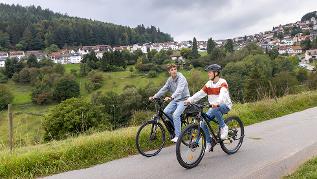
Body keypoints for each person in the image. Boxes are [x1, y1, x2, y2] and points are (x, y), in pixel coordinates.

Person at [185, 64, 233, 152]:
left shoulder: (223, 82)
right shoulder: (209, 84)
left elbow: (222, 94)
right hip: (213, 107)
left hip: (224, 105)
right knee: (203, 123)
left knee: (215, 109)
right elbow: (200, 93)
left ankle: (223, 127)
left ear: (216, 73)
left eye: (210, 72)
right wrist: (190, 100)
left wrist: (217, 102)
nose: (208, 74)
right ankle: (209, 142)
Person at [149, 64, 190, 142]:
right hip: (175, 99)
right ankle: (177, 125)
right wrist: (155, 96)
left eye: (175, 69)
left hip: (184, 99)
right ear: (169, 72)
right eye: (172, 70)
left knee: (175, 115)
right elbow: (164, 89)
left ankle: (178, 136)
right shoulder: (169, 80)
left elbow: (179, 90)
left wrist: (171, 97)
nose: (174, 71)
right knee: (166, 112)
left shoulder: (181, 78)